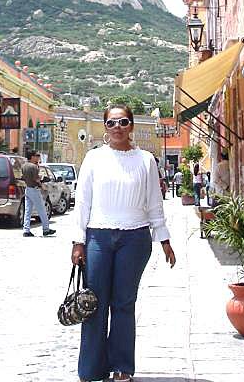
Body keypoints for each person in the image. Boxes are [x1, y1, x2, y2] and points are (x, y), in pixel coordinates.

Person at [72, 104, 176, 382]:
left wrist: (164, 238)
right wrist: (77, 241)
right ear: (105, 128)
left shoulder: (146, 160)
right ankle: (92, 369)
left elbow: (154, 202)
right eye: (111, 123)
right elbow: (82, 202)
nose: (117, 127)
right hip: (98, 237)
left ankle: (122, 367)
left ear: (131, 125)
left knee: (124, 304)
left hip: (135, 237)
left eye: (123, 122)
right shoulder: (94, 159)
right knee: (95, 303)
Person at [22, 149, 56, 237]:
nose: (38, 157)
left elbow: (23, 177)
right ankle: (46, 229)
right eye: (37, 156)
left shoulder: (24, 165)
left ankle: (26, 230)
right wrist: (42, 185)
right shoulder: (33, 167)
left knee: (28, 211)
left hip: (27, 189)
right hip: (34, 189)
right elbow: (36, 179)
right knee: (42, 210)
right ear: (32, 156)